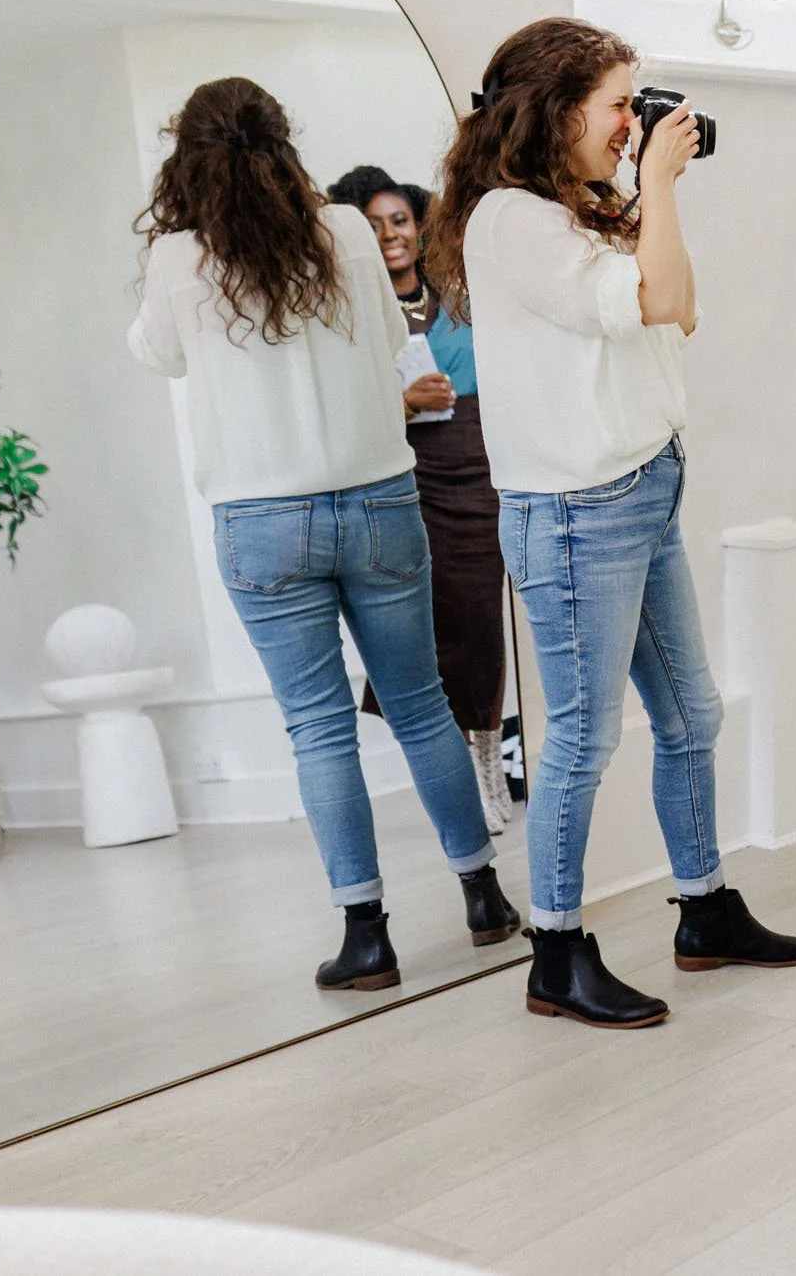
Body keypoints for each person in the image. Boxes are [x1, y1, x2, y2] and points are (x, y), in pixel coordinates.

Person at [424, 18, 796, 1030]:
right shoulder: (512, 220)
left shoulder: (588, 206)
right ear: (557, 112)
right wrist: (665, 190)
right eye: (618, 102)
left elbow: (676, 306)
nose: (633, 119)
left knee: (693, 713)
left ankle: (703, 906)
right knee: (584, 738)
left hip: (643, 488)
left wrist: (645, 192)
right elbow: (657, 296)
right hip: (572, 511)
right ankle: (555, 948)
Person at [129, 77, 520, 991]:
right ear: (284, 145)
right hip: (379, 500)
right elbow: (389, 336)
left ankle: (367, 937)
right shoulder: (345, 229)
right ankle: (483, 896)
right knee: (421, 704)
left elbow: (161, 354)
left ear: (186, 160)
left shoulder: (180, 257)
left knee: (317, 730)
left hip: (262, 523)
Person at [325, 164, 515, 836]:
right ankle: (460, 776)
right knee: (425, 630)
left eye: (398, 220)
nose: (389, 235)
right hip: (406, 474)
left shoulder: (456, 290)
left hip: (476, 465)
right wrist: (402, 402)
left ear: (418, 222)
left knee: (483, 626)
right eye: (372, 225)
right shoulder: (349, 310)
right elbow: (342, 406)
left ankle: (492, 766)